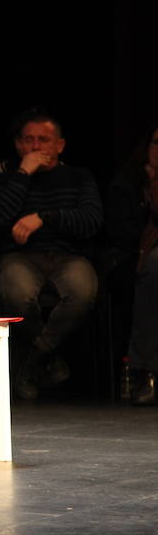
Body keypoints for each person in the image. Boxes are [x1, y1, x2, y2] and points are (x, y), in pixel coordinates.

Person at [0, 107, 103, 400]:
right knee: (16, 290)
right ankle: (48, 357)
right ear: (19, 144)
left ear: (59, 145)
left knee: (83, 289)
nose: (35, 147)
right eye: (28, 140)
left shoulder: (78, 177)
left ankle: (35, 358)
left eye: (43, 140)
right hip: (21, 256)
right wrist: (23, 174)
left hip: (67, 255)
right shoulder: (5, 178)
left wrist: (44, 217)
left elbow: (92, 221)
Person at [106, 126, 158, 404]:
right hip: (133, 256)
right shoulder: (128, 183)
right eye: (157, 142)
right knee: (153, 269)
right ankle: (145, 373)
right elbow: (120, 229)